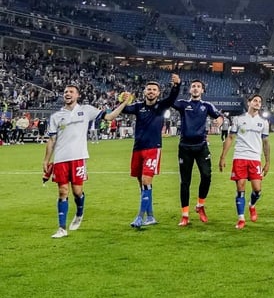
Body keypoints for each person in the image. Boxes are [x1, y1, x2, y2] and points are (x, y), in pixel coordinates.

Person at [43, 84, 132, 237]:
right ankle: (62, 228)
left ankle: (79, 213)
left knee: (77, 192)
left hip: (78, 158)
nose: (67, 94)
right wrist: (46, 160)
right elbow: (51, 140)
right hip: (60, 159)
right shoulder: (56, 117)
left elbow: (109, 117)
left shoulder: (86, 110)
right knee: (63, 191)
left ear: (77, 95)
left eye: (71, 91)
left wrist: (124, 103)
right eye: (65, 92)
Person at [122, 73, 183, 228]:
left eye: (154, 90)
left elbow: (171, 99)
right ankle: (150, 217)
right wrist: (122, 99)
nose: (151, 91)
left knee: (146, 181)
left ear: (158, 93)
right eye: (148, 89)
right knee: (142, 185)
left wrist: (177, 85)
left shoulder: (161, 106)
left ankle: (140, 217)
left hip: (152, 148)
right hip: (137, 149)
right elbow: (124, 109)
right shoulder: (138, 107)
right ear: (144, 92)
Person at [171, 79, 224, 226]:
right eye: (193, 86)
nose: (195, 88)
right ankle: (185, 215)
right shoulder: (183, 104)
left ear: (202, 91)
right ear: (190, 90)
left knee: (206, 176)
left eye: (198, 87)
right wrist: (176, 86)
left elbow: (219, 115)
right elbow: (171, 100)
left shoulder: (206, 106)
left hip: (201, 146)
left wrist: (219, 120)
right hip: (185, 147)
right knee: (185, 182)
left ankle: (200, 205)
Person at [218, 94, 270, 229]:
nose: (258, 103)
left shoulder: (264, 123)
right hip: (240, 156)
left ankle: (251, 206)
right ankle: (241, 218)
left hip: (255, 159)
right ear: (249, 103)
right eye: (255, 101)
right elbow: (230, 137)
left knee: (257, 189)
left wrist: (267, 162)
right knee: (240, 187)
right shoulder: (238, 119)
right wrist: (222, 157)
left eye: (259, 101)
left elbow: (266, 143)